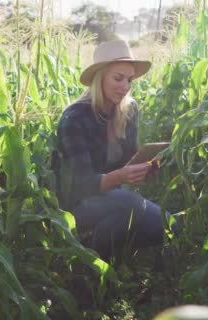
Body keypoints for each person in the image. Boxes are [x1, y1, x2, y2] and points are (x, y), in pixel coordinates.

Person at [54, 40, 169, 263]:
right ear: (100, 78)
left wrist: (144, 170)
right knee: (133, 206)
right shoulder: (74, 118)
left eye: (129, 80)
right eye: (118, 78)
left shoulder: (128, 111)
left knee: (163, 225)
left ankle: (101, 259)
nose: (125, 86)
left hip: (114, 198)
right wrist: (120, 177)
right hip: (77, 204)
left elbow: (129, 162)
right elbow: (82, 185)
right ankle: (86, 258)